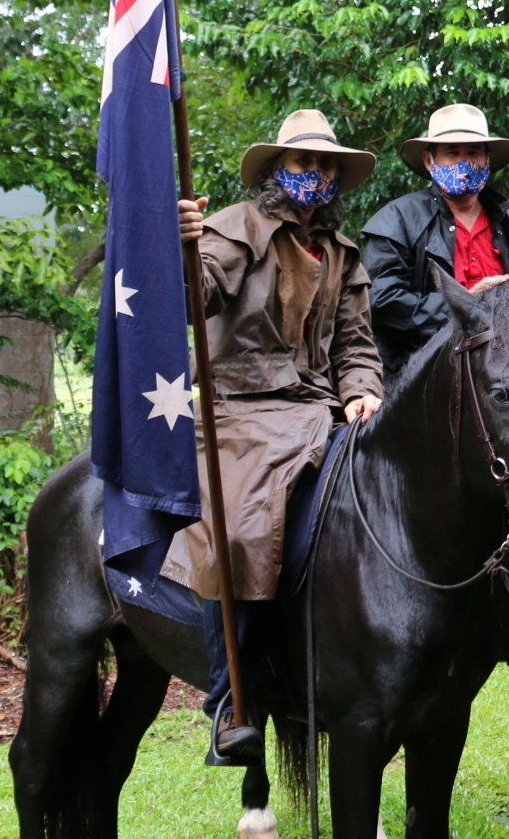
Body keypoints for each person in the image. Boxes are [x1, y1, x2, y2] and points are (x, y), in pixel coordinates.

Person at [167, 109, 383, 765]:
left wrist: (361, 389)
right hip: (242, 411)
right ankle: (231, 700)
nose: (314, 174)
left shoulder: (343, 256)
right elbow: (189, 298)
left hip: (321, 411)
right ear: (276, 171)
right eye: (301, 163)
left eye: (324, 166)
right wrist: (178, 244)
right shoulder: (236, 228)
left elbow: (356, 344)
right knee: (236, 528)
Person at [360, 103, 509, 385]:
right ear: (428, 160)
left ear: (487, 160)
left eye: (473, 153)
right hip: (419, 376)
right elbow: (382, 301)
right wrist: (464, 306)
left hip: (503, 374)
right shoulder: (397, 220)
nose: (464, 163)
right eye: (452, 153)